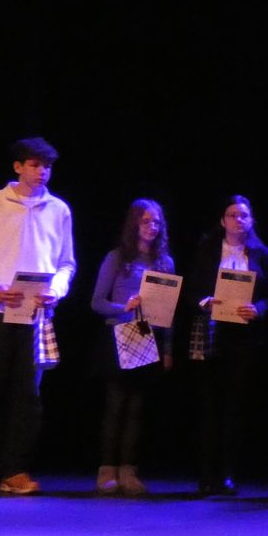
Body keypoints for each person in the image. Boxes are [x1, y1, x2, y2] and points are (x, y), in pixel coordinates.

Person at [0, 137, 76, 495]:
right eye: (35, 165)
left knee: (28, 394)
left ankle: (15, 470)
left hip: (35, 314)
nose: (42, 172)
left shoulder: (58, 210)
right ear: (18, 167)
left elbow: (66, 263)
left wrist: (56, 290)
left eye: (47, 166)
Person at [185, 195, 268, 496]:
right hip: (211, 331)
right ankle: (205, 474)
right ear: (223, 220)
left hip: (243, 337)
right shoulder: (207, 248)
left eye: (243, 215)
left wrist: (258, 309)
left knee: (234, 408)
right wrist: (205, 302)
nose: (238, 220)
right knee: (208, 405)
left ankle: (227, 474)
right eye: (232, 215)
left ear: (251, 221)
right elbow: (191, 288)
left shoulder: (261, 252)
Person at [89, 199, 174, 495]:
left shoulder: (165, 262)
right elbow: (97, 302)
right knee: (116, 406)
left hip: (147, 337)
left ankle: (128, 469)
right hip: (118, 335)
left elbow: (168, 312)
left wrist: (168, 349)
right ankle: (107, 469)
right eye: (146, 221)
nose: (152, 227)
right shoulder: (117, 257)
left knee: (137, 408)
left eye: (156, 222)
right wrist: (123, 306)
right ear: (134, 223)